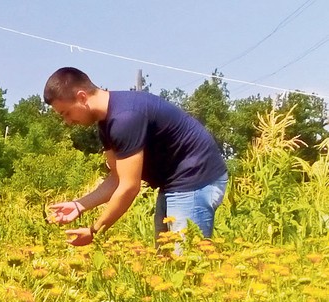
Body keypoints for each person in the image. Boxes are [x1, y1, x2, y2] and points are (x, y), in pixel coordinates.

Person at [43, 67, 228, 246]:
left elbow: (129, 187)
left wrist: (95, 231)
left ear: (82, 97)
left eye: (66, 113)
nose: (67, 122)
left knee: (187, 262)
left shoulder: (125, 118)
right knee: (168, 261)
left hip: (196, 180)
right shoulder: (105, 123)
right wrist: (78, 206)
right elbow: (116, 178)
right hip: (174, 183)